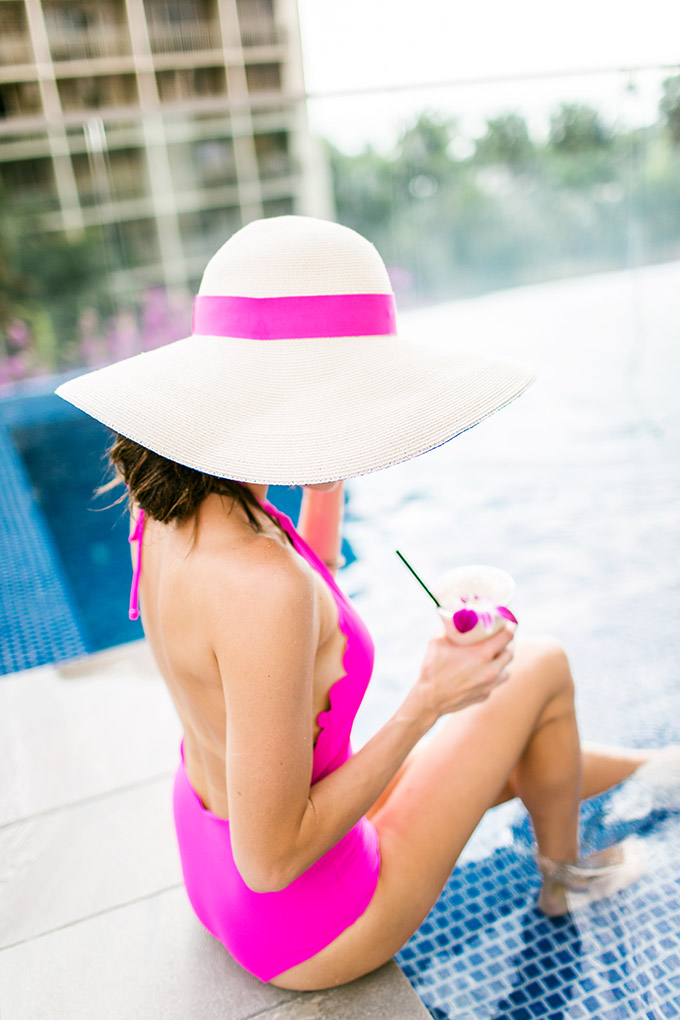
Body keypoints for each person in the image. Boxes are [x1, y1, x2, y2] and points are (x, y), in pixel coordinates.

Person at [56, 215, 671, 992]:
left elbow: (272, 634)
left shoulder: (171, 506)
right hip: (307, 918)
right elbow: (273, 858)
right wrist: (428, 701)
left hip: (208, 864)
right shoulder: (264, 589)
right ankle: (566, 877)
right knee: (539, 669)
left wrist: (326, 484)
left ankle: (652, 768)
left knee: (522, 734)